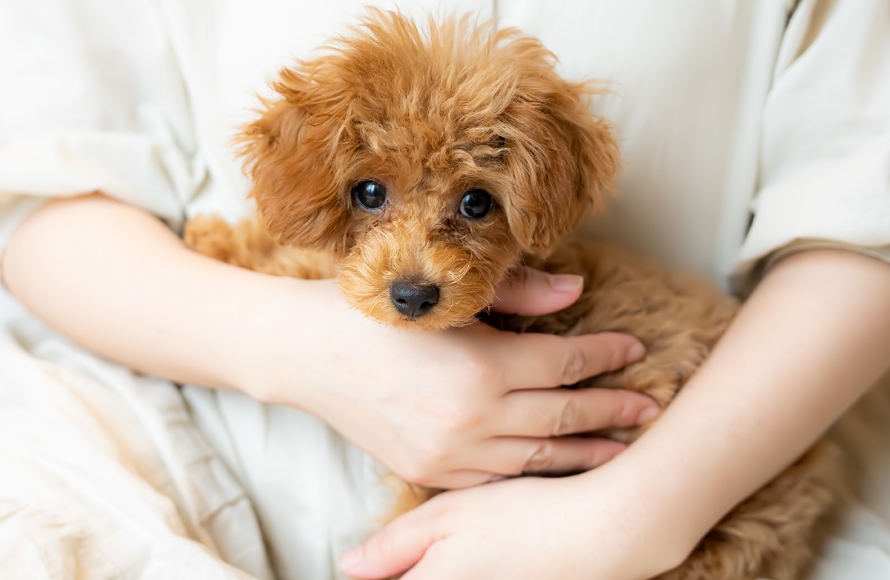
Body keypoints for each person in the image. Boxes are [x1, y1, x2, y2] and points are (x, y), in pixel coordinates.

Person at [1, 1, 889, 579]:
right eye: (371, 195)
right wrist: (296, 345)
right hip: (165, 429)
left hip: (685, 476)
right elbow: (38, 187)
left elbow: (864, 215)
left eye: (474, 204)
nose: (417, 265)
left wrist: (630, 518)